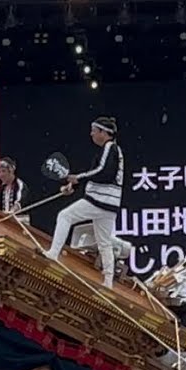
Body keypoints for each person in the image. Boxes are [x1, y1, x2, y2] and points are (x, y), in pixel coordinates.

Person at [44, 116, 125, 288]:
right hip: (109, 204)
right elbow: (99, 174)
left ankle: (53, 253)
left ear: (104, 133)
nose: (91, 134)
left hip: (99, 201)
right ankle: (108, 281)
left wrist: (77, 178)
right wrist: (75, 183)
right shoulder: (114, 150)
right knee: (104, 242)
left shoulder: (110, 148)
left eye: (94, 131)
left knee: (65, 216)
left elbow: (103, 172)